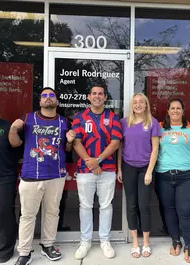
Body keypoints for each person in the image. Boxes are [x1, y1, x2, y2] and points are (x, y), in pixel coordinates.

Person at [9, 87, 76, 265]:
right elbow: (15, 144)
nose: (48, 98)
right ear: (39, 101)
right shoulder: (28, 119)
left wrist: (69, 142)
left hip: (56, 175)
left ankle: (48, 245)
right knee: (27, 215)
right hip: (31, 175)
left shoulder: (64, 122)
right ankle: (24, 252)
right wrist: (13, 130)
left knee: (52, 213)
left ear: (56, 101)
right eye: (44, 96)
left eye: (51, 96)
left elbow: (68, 150)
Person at [72, 84, 122, 260]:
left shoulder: (113, 117)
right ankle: (85, 241)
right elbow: (76, 142)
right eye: (94, 93)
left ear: (105, 97)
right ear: (88, 96)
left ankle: (104, 240)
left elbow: (115, 143)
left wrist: (98, 160)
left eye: (100, 94)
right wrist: (92, 164)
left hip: (107, 169)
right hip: (85, 170)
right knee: (85, 206)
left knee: (106, 206)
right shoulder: (79, 117)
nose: (97, 96)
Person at [156, 98, 190, 263]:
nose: (175, 111)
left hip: (187, 176)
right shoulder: (159, 127)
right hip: (164, 174)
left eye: (178, 108)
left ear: (183, 111)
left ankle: (189, 245)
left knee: (186, 211)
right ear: (168, 111)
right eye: (172, 108)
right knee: (169, 210)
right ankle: (175, 240)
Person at [117, 93, 160, 258]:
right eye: (135, 102)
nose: (138, 105)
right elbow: (120, 147)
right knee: (131, 205)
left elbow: (155, 148)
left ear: (146, 105)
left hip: (145, 168)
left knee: (144, 206)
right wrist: (119, 168)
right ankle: (135, 242)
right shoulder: (123, 122)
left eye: (141, 102)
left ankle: (146, 242)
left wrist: (149, 171)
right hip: (128, 167)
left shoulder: (152, 122)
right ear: (131, 105)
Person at [0, 92, 20, 265]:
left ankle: (6, 250)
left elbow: (16, 149)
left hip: (3, 179)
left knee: (2, 214)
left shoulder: (6, 126)